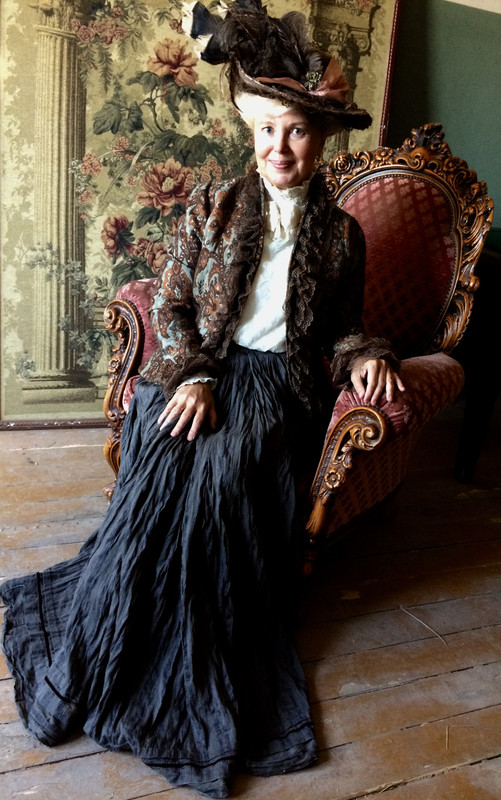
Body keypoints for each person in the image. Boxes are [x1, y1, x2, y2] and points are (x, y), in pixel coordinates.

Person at [0, 2, 404, 798]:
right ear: (249, 131)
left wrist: (363, 357)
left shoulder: (341, 235)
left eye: (296, 131)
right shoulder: (210, 205)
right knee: (161, 434)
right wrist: (189, 374)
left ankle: (199, 645)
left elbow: (342, 327)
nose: (278, 148)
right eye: (265, 130)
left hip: (276, 383)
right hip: (206, 366)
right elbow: (172, 302)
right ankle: (120, 623)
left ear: (323, 137)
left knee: (228, 467)